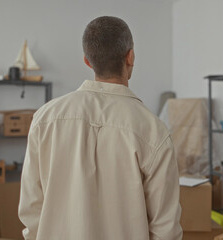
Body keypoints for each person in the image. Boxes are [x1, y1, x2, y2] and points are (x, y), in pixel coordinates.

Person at [19, 16, 182, 240]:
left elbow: (30, 209)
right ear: (130, 57)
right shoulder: (154, 131)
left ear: (87, 61)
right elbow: (166, 229)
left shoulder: (44, 119)